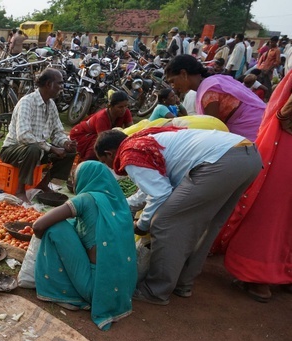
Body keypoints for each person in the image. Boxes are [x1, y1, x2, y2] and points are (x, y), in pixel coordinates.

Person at [94, 127, 262, 305]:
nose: (110, 167)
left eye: (105, 162)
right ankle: (183, 283)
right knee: (209, 223)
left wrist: (142, 225)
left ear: (109, 153)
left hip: (220, 161)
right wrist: (127, 206)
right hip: (248, 157)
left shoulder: (128, 153)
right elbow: (153, 187)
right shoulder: (143, 141)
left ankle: (156, 290)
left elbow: (160, 194)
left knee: (163, 223)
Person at [213, 71, 292, 302]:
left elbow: (282, 113)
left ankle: (258, 280)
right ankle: (286, 274)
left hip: (284, 148)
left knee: (268, 213)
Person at [32, 160, 136, 329]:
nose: (73, 181)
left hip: (94, 289)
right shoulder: (119, 202)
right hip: (120, 291)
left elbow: (38, 225)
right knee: (73, 226)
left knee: (56, 229)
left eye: (74, 177)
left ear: (86, 178)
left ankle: (68, 294)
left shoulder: (86, 199)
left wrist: (40, 245)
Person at [0, 69, 77, 204]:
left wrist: (65, 143)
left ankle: (43, 184)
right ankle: (20, 191)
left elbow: (57, 132)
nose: (61, 87)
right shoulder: (27, 102)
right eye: (59, 83)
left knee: (70, 152)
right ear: (48, 84)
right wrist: (51, 148)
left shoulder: (51, 104)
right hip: (12, 150)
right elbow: (23, 136)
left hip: (38, 150)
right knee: (33, 148)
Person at [164, 55, 265, 141]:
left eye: (173, 81)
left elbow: (212, 131)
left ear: (183, 74)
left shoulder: (208, 91)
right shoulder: (214, 80)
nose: (173, 86)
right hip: (261, 123)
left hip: (254, 132)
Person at [69, 91, 133, 161]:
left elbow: (131, 129)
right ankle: (87, 163)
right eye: (120, 107)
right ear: (110, 106)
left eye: (126, 106)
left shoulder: (126, 112)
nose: (123, 109)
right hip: (82, 135)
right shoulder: (101, 118)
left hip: (102, 136)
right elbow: (103, 141)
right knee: (96, 148)